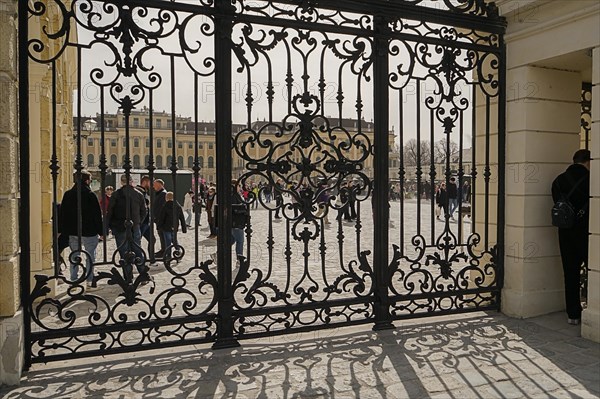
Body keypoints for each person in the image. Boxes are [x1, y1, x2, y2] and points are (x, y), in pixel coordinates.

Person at [551, 149, 591, 325]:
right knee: (593, 271)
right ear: (588, 161)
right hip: (588, 233)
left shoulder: (558, 180)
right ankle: (592, 308)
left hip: (565, 232)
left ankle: (573, 314)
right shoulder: (592, 179)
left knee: (570, 272)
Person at [58, 170, 103, 287]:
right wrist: (101, 231)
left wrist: (61, 229)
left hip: (73, 230)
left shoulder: (68, 194)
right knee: (90, 256)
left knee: (74, 255)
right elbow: (97, 215)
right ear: (87, 181)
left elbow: (63, 213)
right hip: (89, 231)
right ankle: (89, 281)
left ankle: (74, 280)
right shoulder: (90, 195)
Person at [107, 174, 148, 284]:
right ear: (131, 181)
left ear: (121, 182)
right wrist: (138, 222)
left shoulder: (116, 194)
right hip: (135, 226)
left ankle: (128, 278)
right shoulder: (138, 194)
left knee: (124, 253)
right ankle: (143, 275)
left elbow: (109, 211)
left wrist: (109, 226)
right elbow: (144, 211)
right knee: (137, 251)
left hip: (120, 227)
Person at [157, 191, 187, 262]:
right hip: (174, 226)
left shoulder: (165, 206)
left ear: (166, 198)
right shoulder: (178, 206)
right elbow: (182, 218)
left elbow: (162, 217)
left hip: (166, 226)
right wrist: (184, 228)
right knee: (174, 240)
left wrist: (159, 226)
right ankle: (178, 253)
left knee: (168, 241)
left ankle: (169, 255)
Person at [152, 179, 167, 258]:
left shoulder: (163, 194)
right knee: (161, 234)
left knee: (163, 234)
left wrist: (158, 217)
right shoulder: (159, 193)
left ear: (159, 185)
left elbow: (161, 208)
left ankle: (165, 250)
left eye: (155, 185)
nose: (153, 186)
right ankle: (163, 249)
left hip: (161, 219)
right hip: (159, 219)